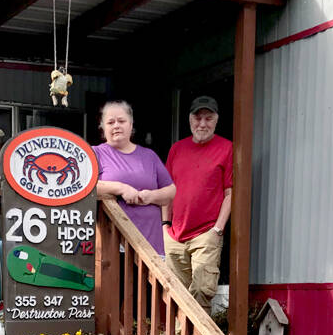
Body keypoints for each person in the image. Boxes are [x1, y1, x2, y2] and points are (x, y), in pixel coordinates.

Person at [163, 96, 232, 314]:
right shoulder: (177, 149)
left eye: (208, 118)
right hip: (175, 233)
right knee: (176, 293)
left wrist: (218, 230)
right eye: (197, 117)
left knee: (202, 290)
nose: (202, 124)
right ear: (190, 119)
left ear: (216, 120)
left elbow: (231, 193)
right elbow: (167, 190)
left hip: (206, 233)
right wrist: (165, 225)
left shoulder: (227, 148)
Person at [95, 100, 176, 255]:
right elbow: (83, 186)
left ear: (131, 125)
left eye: (121, 121)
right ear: (103, 127)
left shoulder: (149, 156)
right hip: (114, 246)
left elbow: (171, 191)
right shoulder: (95, 153)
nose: (116, 125)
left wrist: (151, 196)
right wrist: (120, 188)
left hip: (152, 244)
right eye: (110, 122)